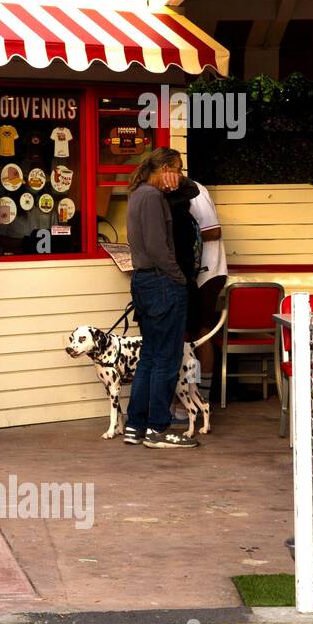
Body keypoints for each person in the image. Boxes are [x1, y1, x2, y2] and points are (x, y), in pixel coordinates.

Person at [123, 146, 199, 450]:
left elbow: (190, 188)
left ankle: (135, 426)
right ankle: (157, 428)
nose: (180, 174)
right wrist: (179, 278)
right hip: (162, 282)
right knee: (166, 359)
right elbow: (158, 246)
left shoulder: (138, 193)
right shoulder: (153, 197)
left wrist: (178, 182)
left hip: (143, 282)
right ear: (164, 167)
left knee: (150, 357)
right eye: (177, 168)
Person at [189, 180, 227, 384]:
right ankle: (191, 392)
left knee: (199, 335)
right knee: (189, 337)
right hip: (195, 274)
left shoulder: (194, 191)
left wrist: (178, 236)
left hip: (207, 272)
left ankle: (199, 394)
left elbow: (214, 231)